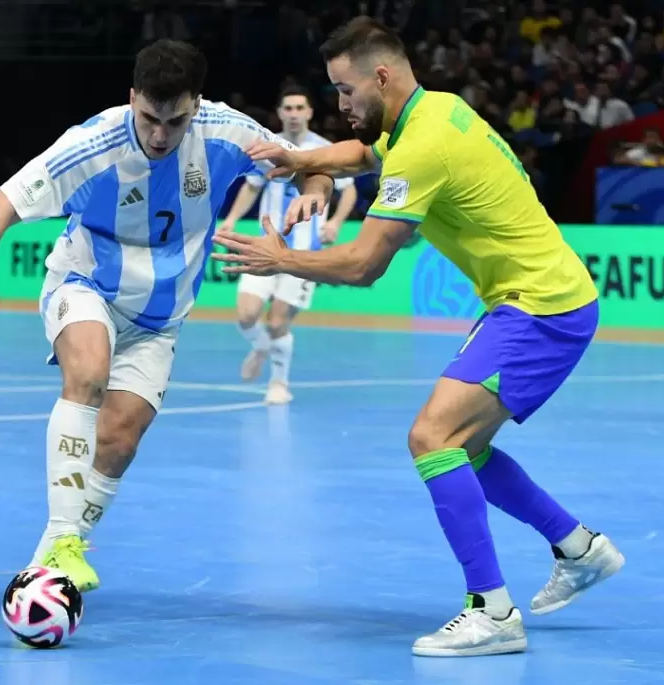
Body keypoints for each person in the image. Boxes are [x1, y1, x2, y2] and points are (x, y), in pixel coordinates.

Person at [213, 16, 624, 658]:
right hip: (535, 299)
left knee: (433, 438)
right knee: (467, 448)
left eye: (346, 92)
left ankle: (491, 610)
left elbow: (365, 264)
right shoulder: (434, 111)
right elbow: (362, 155)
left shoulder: (425, 145)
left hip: (540, 309)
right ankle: (579, 548)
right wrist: (301, 160)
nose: (341, 105)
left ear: (381, 76)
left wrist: (280, 259)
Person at [0, 39, 334, 594]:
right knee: (89, 375)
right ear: (132, 98)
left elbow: (306, 167)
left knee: (121, 439)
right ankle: (62, 540)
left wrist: (314, 190)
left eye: (174, 122)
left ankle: (50, 566)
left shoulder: (226, 131)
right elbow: (1, 206)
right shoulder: (92, 144)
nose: (158, 135)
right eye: (149, 117)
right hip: (87, 283)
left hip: (161, 315)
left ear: (195, 106)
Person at [218, 85, 358, 404]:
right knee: (245, 316)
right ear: (279, 114)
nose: (294, 114)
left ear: (309, 113)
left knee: (278, 320)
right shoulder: (268, 148)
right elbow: (252, 188)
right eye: (288, 109)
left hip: (303, 254)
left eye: (300, 108)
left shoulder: (324, 150)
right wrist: (231, 218)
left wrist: (335, 221)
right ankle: (262, 346)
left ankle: (279, 383)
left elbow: (348, 190)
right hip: (265, 245)